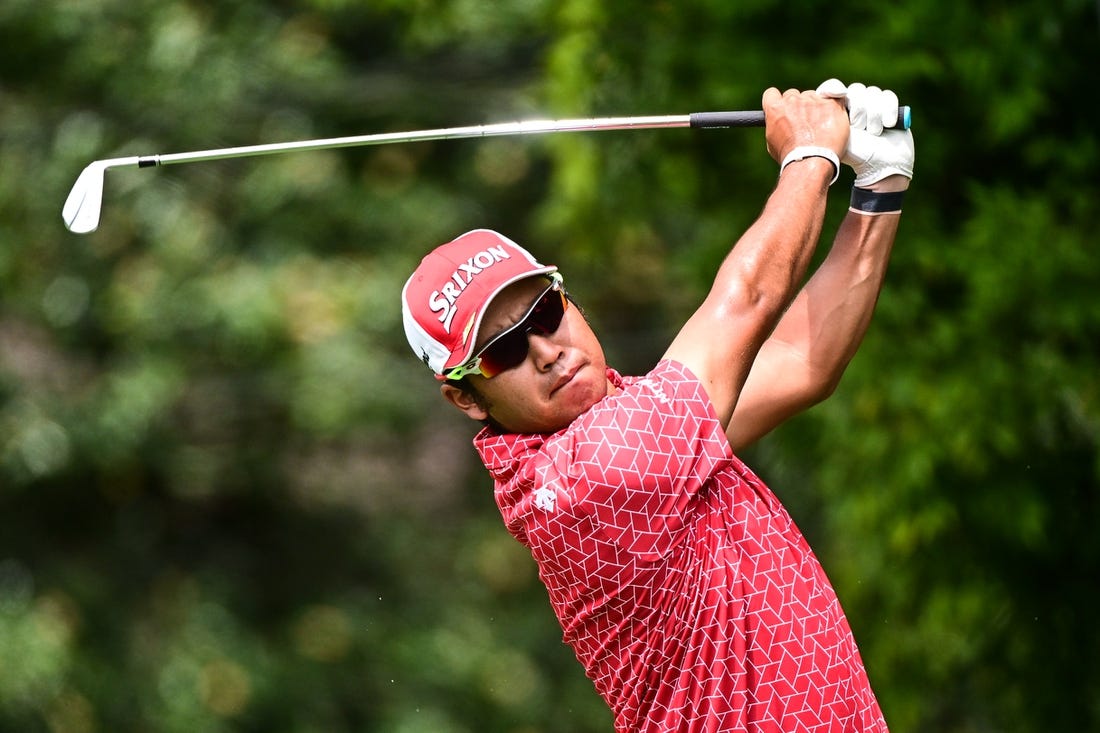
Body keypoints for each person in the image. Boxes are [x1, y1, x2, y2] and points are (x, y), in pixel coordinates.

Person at [401, 79, 914, 732]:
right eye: (502, 349)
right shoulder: (589, 477)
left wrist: (880, 187)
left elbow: (802, 363)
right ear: (465, 397)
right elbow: (748, 297)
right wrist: (810, 154)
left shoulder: (652, 421)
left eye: (545, 311)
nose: (546, 349)